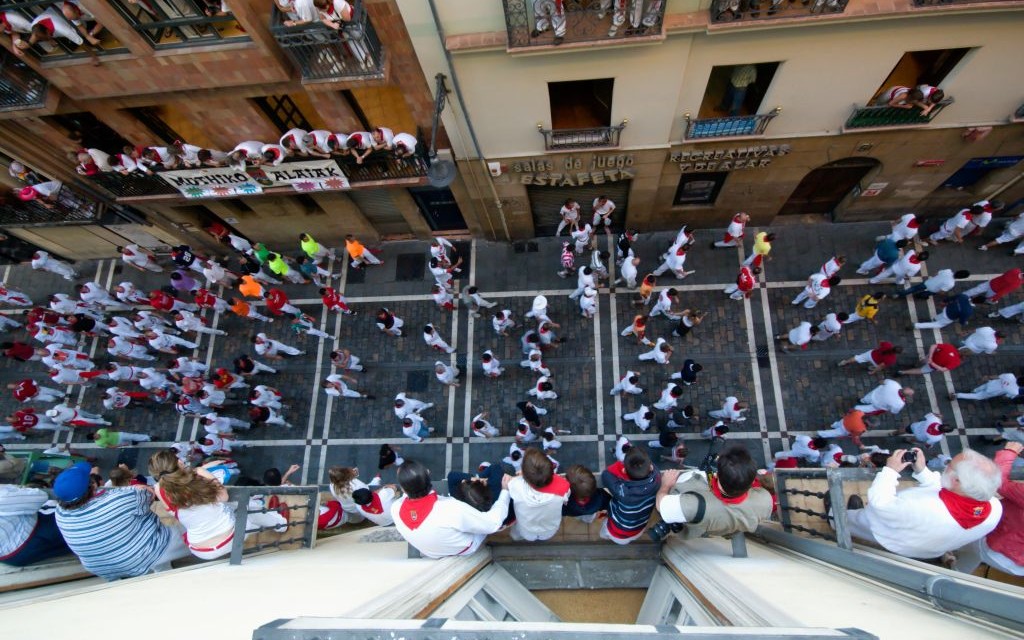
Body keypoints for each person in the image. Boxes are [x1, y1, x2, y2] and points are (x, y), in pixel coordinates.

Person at [844, 449, 1001, 560]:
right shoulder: (995, 509)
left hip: (888, 533)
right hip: (925, 548)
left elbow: (881, 503)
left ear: (957, 480)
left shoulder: (919, 506)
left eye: (950, 465)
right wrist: (922, 471)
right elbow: (946, 490)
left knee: (851, 521)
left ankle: (834, 519)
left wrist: (890, 471)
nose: (946, 467)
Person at [53, 462, 190, 580]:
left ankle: (162, 570)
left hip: (106, 569)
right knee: (191, 530)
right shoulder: (119, 498)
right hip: (142, 554)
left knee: (138, 540)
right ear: (93, 486)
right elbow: (150, 494)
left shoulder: (59, 512)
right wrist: (135, 490)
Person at [148, 451, 286, 560]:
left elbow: (173, 511)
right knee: (248, 507)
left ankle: (269, 518)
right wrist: (201, 471)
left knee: (231, 510)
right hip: (228, 539)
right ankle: (281, 523)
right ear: (178, 462)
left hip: (200, 550)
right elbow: (223, 497)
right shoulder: (198, 474)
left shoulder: (158, 488)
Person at [390, 460, 511, 559]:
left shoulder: (395, 509)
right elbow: (492, 524)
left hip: (433, 552)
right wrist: (505, 491)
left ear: (404, 490)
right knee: (494, 518)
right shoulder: (451, 509)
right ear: (428, 474)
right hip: (465, 547)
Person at [653, 443, 773, 541]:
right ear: (752, 482)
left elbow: (661, 505)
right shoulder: (765, 501)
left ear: (719, 475)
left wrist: (665, 485)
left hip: (688, 510)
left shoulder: (693, 505)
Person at [600, 447, 661, 544]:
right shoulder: (657, 479)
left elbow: (606, 475)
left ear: (624, 471)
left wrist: (621, 466)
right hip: (638, 529)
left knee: (604, 533)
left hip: (616, 531)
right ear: (651, 467)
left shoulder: (625, 492)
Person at [508, 449, 569, 542]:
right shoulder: (564, 487)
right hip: (549, 531)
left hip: (526, 530)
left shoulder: (515, 485)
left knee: (516, 534)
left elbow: (510, 484)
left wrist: (520, 477)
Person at [952, 373, 1019, 403]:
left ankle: (974, 390)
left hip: (991, 383)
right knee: (977, 397)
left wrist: (988, 377)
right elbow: (1005, 397)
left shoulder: (1010, 375)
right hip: (991, 392)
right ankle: (958, 395)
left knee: (980, 388)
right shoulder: (1015, 391)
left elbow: (996, 377)